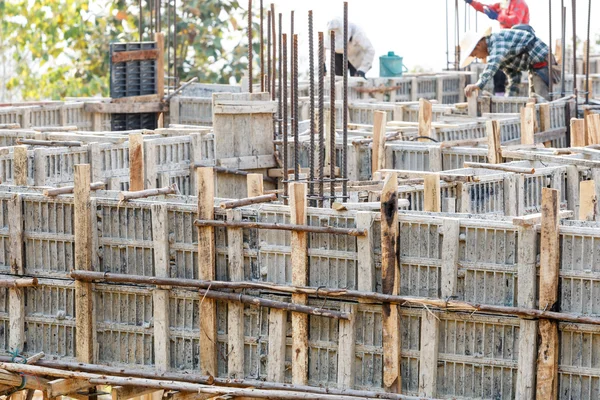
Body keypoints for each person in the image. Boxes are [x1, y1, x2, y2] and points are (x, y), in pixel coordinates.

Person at [461, 28, 554, 100]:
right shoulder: (499, 54)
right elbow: (514, 77)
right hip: (534, 68)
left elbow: (493, 63)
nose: (477, 57)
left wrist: (478, 84)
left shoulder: (496, 40)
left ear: (478, 45)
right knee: (534, 99)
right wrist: (508, 98)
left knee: (541, 100)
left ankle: (547, 123)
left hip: (543, 62)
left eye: (475, 54)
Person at [464, 0, 530, 96]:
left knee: (499, 65)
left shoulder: (519, 3)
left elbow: (515, 21)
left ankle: (505, 96)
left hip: (517, 45)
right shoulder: (503, 5)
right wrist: (472, 2)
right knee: (500, 71)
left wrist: (498, 16)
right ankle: (501, 96)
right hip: (506, 45)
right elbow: (486, 8)